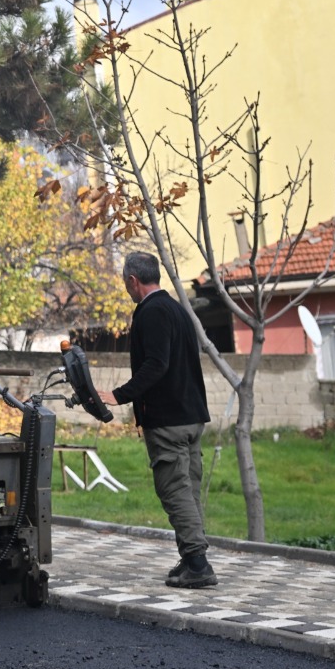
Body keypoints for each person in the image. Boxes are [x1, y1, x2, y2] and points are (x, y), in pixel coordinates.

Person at [97, 251, 216, 589]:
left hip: (169, 420)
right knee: (188, 491)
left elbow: (157, 364)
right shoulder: (178, 309)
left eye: (125, 283)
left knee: (174, 490)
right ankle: (190, 557)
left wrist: (119, 395)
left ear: (133, 280)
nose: (126, 289)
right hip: (192, 416)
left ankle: (198, 563)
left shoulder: (150, 312)